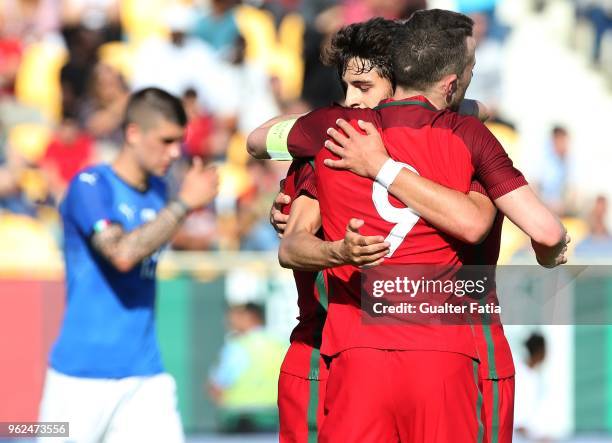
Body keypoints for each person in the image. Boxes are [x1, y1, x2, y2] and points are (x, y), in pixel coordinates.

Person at [248, 9, 568, 442]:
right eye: (345, 88)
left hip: (360, 357)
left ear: (397, 80)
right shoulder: (462, 137)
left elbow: (259, 144)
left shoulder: (332, 133)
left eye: (363, 87)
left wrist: (379, 168)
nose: (351, 102)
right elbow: (538, 231)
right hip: (390, 353)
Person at [38, 87, 219, 443]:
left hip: (145, 376)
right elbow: (121, 253)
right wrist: (184, 204)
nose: (174, 152)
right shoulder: (90, 186)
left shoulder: (158, 190)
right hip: (79, 378)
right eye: (166, 140)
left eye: (179, 142)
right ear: (134, 133)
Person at [209, 303, 286, 432]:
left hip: (241, 423)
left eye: (238, 314)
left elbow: (216, 387)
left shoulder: (237, 347)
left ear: (251, 317)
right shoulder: (281, 344)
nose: (230, 320)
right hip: (277, 421)